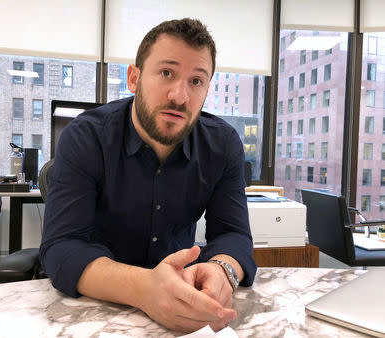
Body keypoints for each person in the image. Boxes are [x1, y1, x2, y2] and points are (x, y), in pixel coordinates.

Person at [41, 18, 257, 333]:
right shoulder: (86, 136)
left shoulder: (222, 145)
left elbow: (234, 235)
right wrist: (144, 288)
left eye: (196, 81)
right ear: (134, 78)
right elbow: (62, 246)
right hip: (92, 311)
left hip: (180, 307)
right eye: (166, 73)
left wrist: (223, 270)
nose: (180, 96)